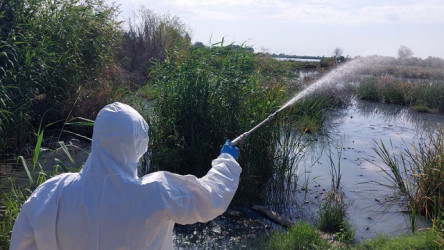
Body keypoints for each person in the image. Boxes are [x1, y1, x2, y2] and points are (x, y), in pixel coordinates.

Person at [10, 102, 241, 250]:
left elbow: (22, 242)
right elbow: (211, 199)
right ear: (138, 144)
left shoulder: (52, 192)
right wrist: (226, 162)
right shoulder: (156, 192)